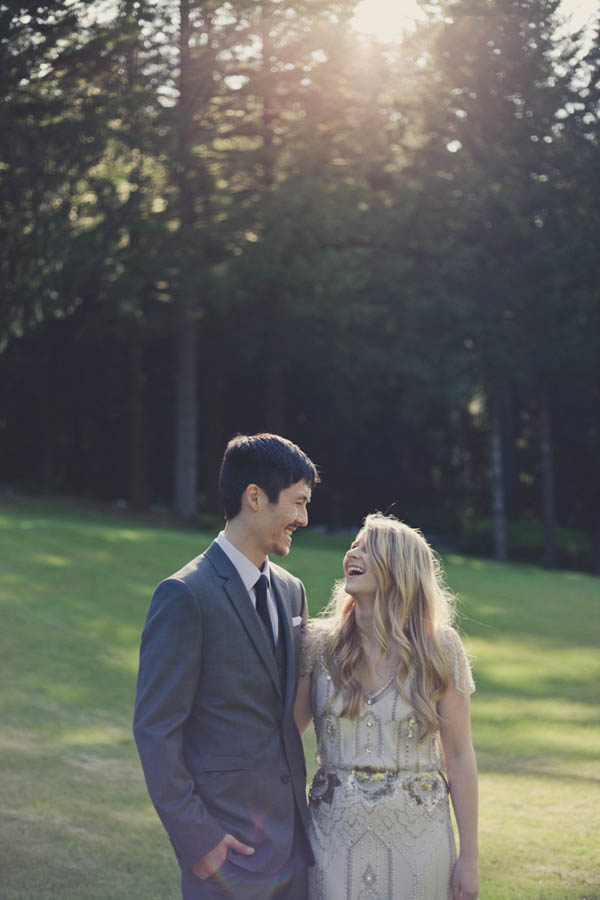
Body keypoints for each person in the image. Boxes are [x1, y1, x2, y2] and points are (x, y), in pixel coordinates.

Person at [134, 433, 319, 900]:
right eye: (297, 503)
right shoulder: (185, 595)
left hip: (293, 848)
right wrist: (199, 840)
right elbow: (156, 730)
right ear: (254, 497)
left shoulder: (292, 591)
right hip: (226, 853)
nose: (303, 518)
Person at [294, 513, 479, 900]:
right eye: (353, 544)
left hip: (421, 841)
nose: (351, 553)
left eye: (367, 546)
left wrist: (470, 857)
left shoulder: (441, 649)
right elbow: (285, 738)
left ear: (400, 568)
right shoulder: (316, 643)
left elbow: (460, 756)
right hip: (331, 837)